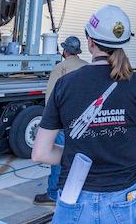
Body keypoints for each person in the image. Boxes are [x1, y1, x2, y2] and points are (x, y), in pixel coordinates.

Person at [32, 5, 136, 224]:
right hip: (125, 195)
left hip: (75, 195)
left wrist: (75, 159)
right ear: (123, 44)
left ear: (91, 42)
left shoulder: (65, 84)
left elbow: (40, 153)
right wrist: (128, 163)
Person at [34, 36, 88, 205]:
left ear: (65, 51)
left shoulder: (60, 67)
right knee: (82, 156)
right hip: (86, 121)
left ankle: (53, 193)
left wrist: (49, 124)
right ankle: (80, 189)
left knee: (59, 157)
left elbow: (51, 98)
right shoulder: (87, 67)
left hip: (65, 121)